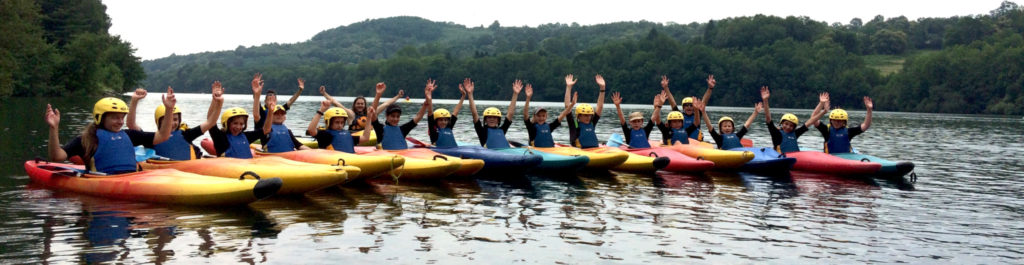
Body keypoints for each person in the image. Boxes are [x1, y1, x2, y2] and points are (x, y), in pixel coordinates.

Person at [46, 87, 178, 174]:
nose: (120, 122)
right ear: (100, 118)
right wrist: (54, 128)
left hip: (133, 179)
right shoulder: (86, 139)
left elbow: (163, 136)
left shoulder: (129, 135)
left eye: (122, 118)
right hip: (103, 181)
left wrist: (169, 109)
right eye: (115, 118)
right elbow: (57, 156)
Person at [126, 82, 223, 160]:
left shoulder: (186, 135)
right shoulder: (152, 139)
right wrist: (134, 101)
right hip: (166, 172)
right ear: (158, 121)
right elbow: (131, 124)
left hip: (189, 170)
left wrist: (218, 102)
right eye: (168, 119)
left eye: (175, 119)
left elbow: (211, 122)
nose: (172, 123)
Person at [761, 86, 830, 153]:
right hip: (781, 159)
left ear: (794, 127)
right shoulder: (776, 134)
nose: (788, 127)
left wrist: (823, 110)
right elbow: (768, 119)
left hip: (795, 159)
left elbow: (810, 121)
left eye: (791, 126)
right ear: (782, 123)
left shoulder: (795, 133)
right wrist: (765, 100)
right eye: (786, 124)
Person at [370, 80, 430, 150]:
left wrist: (426, 103)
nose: (395, 119)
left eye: (397, 116)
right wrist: (378, 94)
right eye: (392, 116)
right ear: (387, 116)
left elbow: (418, 117)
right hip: (387, 158)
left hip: (402, 158)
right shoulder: (380, 129)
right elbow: (372, 113)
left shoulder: (402, 130)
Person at [322, 83, 404, 131]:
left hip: (370, 138)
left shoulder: (371, 113)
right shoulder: (351, 114)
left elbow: (386, 104)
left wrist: (398, 96)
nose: (360, 105)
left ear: (365, 105)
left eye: (362, 104)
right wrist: (324, 93)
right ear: (354, 105)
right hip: (355, 138)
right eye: (358, 104)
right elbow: (336, 103)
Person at [256, 83, 310, 153]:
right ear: (265, 101)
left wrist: (300, 90)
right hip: (264, 137)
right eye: (269, 99)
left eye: (273, 99)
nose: (279, 115)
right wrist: (257, 94)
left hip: (284, 150)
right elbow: (256, 112)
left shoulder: (287, 129)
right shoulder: (262, 113)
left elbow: (290, 101)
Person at [468, 79, 520, 149]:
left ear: (498, 120)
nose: (492, 119)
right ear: (485, 120)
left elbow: (510, 114)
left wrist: (515, 94)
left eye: (495, 117)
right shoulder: (481, 130)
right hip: (489, 155)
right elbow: (474, 113)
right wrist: (470, 94)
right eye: (489, 117)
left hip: (503, 153)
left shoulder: (502, 130)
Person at [661, 75, 716, 141]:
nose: (689, 107)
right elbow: (672, 102)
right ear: (683, 107)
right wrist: (666, 88)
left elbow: (704, 101)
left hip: (696, 143)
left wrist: (710, 88)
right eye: (686, 105)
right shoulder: (679, 115)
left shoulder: (697, 114)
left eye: (691, 105)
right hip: (683, 142)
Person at [307, 99, 374, 153]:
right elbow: (311, 130)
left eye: (342, 122)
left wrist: (369, 118)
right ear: (328, 122)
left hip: (350, 160)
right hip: (332, 162)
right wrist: (321, 110)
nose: (340, 125)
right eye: (337, 122)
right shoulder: (325, 135)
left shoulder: (347, 134)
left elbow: (365, 138)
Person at [523, 81, 576, 148]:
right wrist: (528, 98)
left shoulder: (549, 127)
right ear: (535, 116)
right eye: (539, 116)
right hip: (536, 151)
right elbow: (525, 114)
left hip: (550, 151)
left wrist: (572, 104)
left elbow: (562, 115)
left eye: (543, 116)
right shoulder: (531, 127)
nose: (541, 118)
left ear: (546, 116)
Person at [565, 74, 607, 148]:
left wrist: (602, 88)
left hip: (594, 151)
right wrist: (568, 87)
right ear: (579, 116)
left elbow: (600, 107)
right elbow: (567, 107)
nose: (588, 117)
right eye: (585, 115)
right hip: (579, 152)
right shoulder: (574, 125)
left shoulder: (592, 123)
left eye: (590, 115)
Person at [426, 80, 466, 148]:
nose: (443, 122)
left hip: (453, 152)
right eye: (441, 120)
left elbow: (455, 112)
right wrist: (429, 96)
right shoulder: (433, 130)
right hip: (440, 153)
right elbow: (430, 113)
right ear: (436, 121)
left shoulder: (449, 127)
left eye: (445, 120)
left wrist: (463, 96)